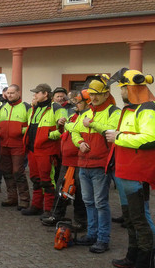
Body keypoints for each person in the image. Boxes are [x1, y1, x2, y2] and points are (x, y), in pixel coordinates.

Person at [106, 69, 155, 267]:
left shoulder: (147, 109)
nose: (121, 92)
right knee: (131, 217)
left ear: (131, 87)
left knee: (140, 218)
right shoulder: (132, 109)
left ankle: (145, 260)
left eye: (123, 88)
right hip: (126, 171)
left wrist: (117, 137)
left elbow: (151, 138)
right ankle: (133, 255)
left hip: (137, 173)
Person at [71, 75, 120, 254]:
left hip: (100, 165)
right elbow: (75, 131)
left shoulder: (114, 112)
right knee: (88, 202)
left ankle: (103, 239)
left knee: (100, 203)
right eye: (91, 94)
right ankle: (92, 235)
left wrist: (92, 123)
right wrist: (79, 143)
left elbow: (110, 131)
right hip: (84, 164)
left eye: (97, 94)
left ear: (107, 94)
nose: (93, 98)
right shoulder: (86, 112)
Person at [41, 90, 88, 228]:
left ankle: (80, 221)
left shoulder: (87, 117)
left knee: (79, 192)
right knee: (62, 188)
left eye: (78, 101)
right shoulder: (75, 116)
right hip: (68, 160)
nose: (75, 104)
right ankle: (57, 215)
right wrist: (63, 124)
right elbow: (67, 132)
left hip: (78, 160)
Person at [22, 83, 67, 217]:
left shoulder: (57, 109)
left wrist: (47, 136)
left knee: (47, 181)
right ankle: (36, 206)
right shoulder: (34, 109)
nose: (34, 95)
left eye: (37, 93)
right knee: (36, 179)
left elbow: (64, 131)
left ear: (45, 94)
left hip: (47, 151)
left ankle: (49, 209)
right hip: (33, 150)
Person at [0, 84, 31, 210]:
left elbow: (31, 126)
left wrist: (19, 130)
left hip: (18, 145)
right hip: (4, 144)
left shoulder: (26, 107)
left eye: (12, 93)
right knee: (6, 171)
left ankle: (24, 199)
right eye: (8, 93)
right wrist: (0, 130)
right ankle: (12, 197)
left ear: (18, 93)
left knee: (18, 172)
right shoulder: (3, 107)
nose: (9, 95)